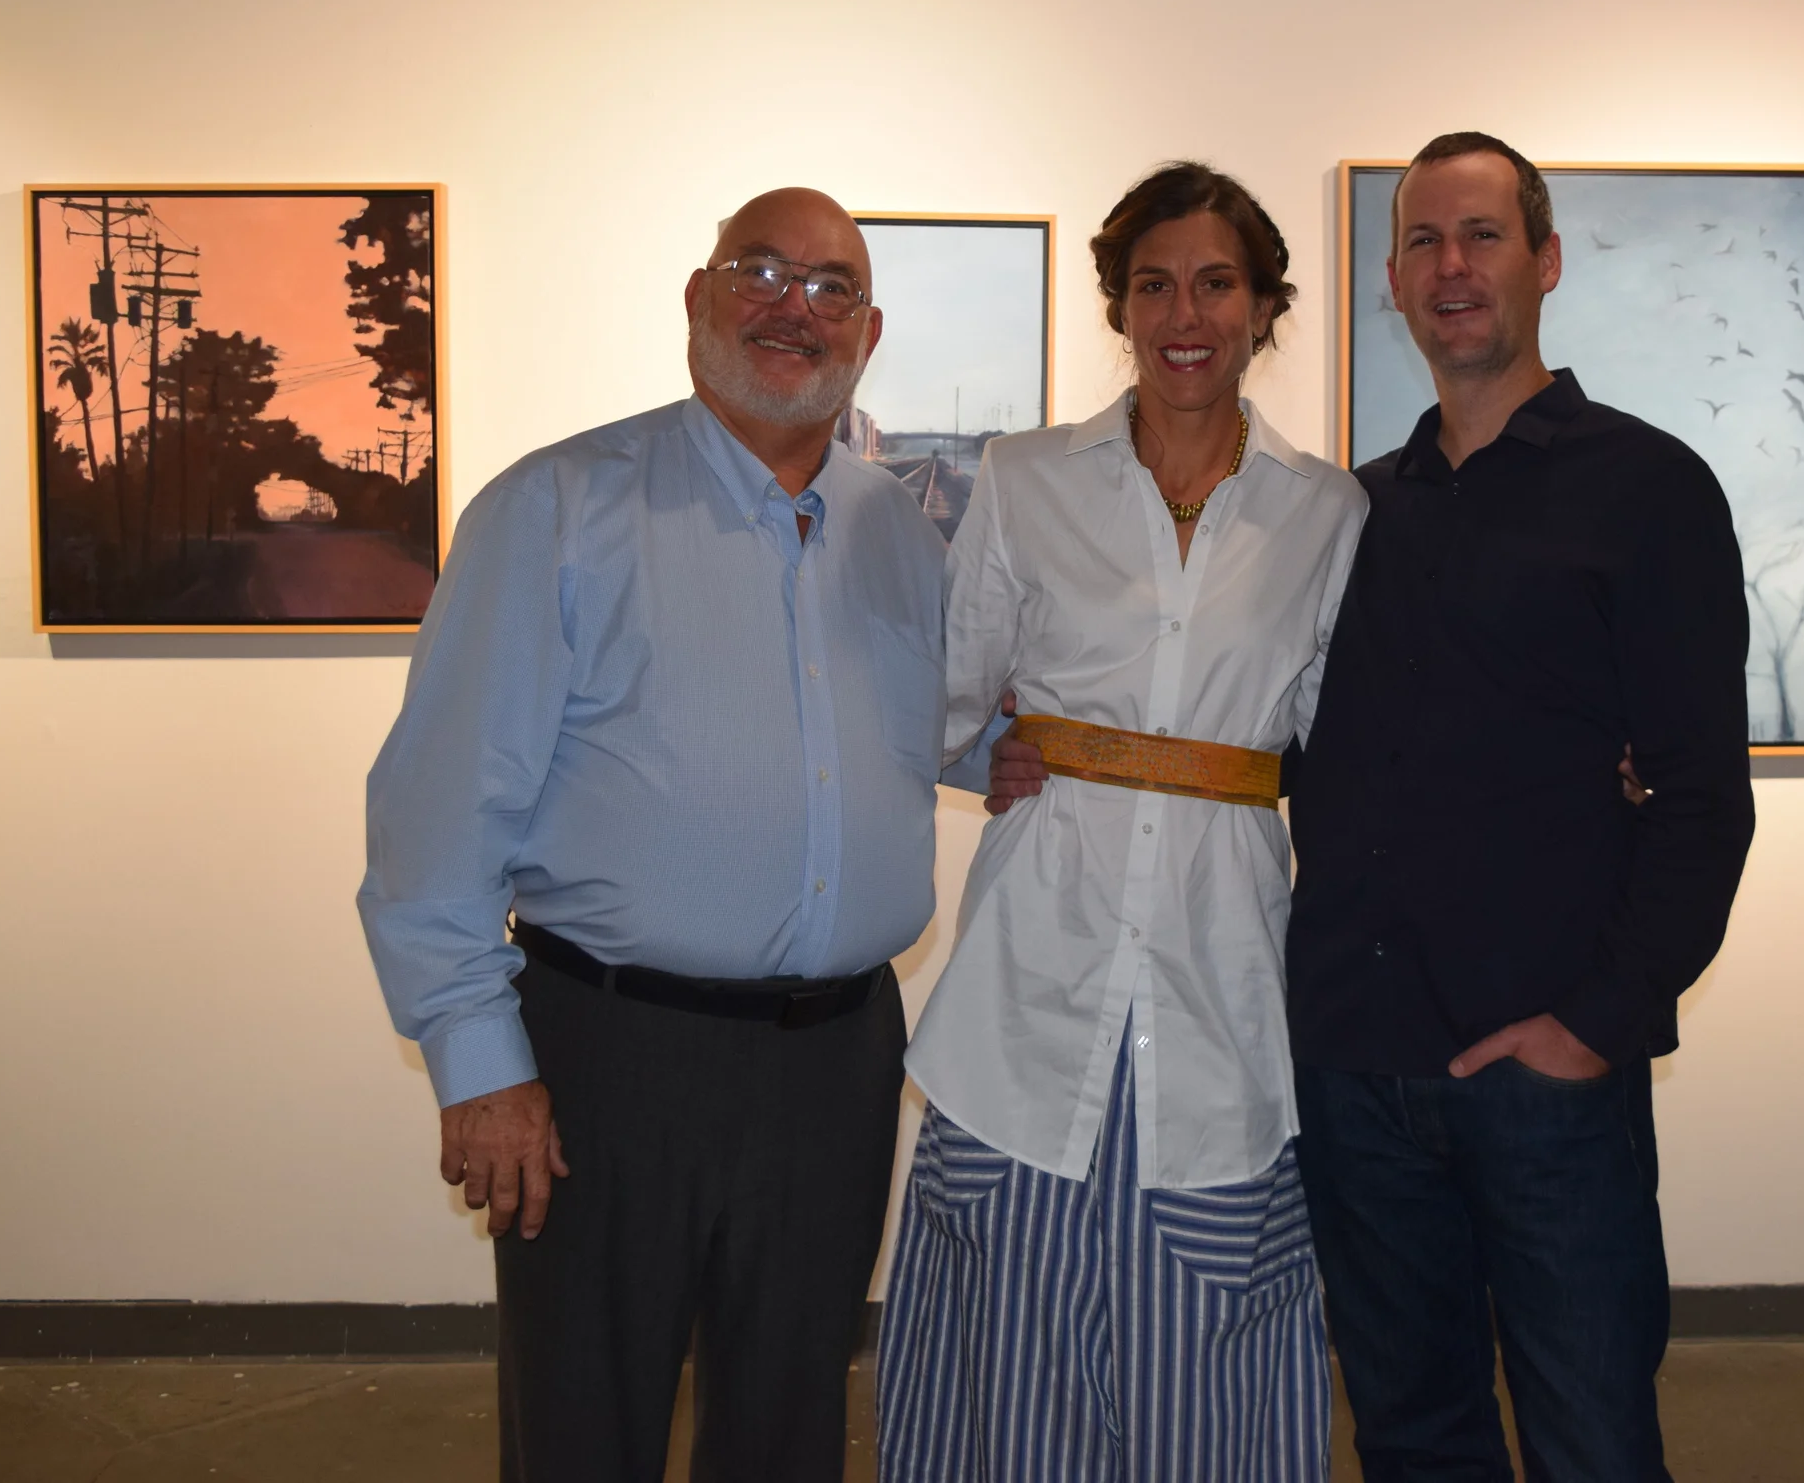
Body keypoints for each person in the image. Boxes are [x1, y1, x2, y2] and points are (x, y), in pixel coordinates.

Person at [357, 188, 951, 1483]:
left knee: (787, 1429)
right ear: (697, 297)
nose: (796, 305)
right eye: (762, 269)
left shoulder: (899, 534)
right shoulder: (561, 508)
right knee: (585, 1429)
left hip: (837, 1061)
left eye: (832, 285)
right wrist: (480, 1061)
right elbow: (438, 807)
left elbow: (914, 744)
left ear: (871, 329)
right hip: (609, 1062)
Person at [878, 162, 1367, 1483]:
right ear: (1120, 305)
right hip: (1029, 995)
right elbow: (939, 702)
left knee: (1214, 1368)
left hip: (1222, 992)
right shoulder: (1026, 479)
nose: (1184, 311)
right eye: (1153, 283)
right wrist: (1004, 750)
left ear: (1263, 306)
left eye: (1215, 281)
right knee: (1009, 1379)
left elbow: (1361, 743)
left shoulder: (1329, 514)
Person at [1290, 132, 1754, 1481]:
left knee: (1592, 1443)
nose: (1453, 267)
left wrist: (1597, 1026)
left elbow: (1703, 800)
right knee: (1415, 1439)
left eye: (1482, 235)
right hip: (1360, 1068)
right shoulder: (1350, 510)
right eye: (1425, 241)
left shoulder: (1650, 489)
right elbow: (1269, 737)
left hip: (1544, 1081)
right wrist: (1053, 753)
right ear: (1389, 279)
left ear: (1543, 261)